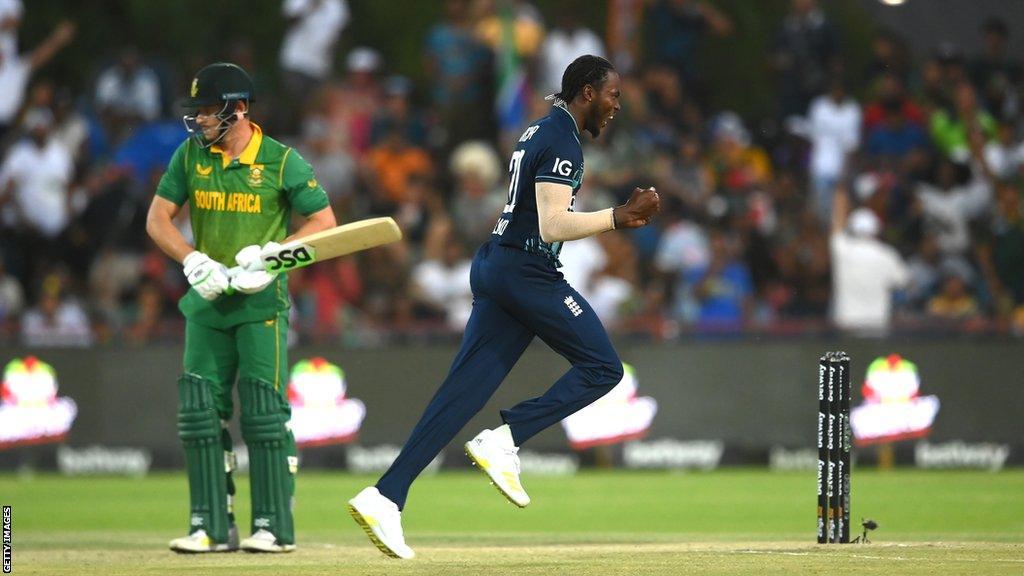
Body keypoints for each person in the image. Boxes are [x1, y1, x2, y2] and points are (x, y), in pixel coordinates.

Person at [347, 55, 660, 559]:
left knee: (462, 393)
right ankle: (507, 438)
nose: (617, 105)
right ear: (585, 93)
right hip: (525, 273)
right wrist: (619, 217)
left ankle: (385, 495)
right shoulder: (562, 140)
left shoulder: (541, 130)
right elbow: (553, 225)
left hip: (499, 265)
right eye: (613, 95)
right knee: (603, 367)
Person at [146, 62, 335, 553]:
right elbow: (158, 219)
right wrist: (191, 261)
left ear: (239, 108)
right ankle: (209, 525)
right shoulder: (190, 155)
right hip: (207, 303)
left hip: (260, 304)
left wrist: (274, 257)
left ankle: (274, 525)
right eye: (199, 112)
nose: (201, 121)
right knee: (199, 413)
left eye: (209, 111)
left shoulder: (280, 160)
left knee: (263, 414)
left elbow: (324, 222)